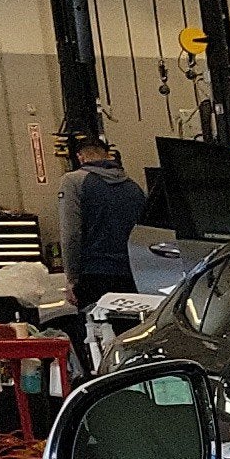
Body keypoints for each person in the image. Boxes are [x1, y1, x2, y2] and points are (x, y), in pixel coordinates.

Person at [46, 133, 149, 362]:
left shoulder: (73, 181)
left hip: (94, 276)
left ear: (80, 157)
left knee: (97, 345)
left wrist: (72, 278)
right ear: (107, 155)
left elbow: (71, 234)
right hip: (132, 277)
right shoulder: (134, 187)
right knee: (128, 341)